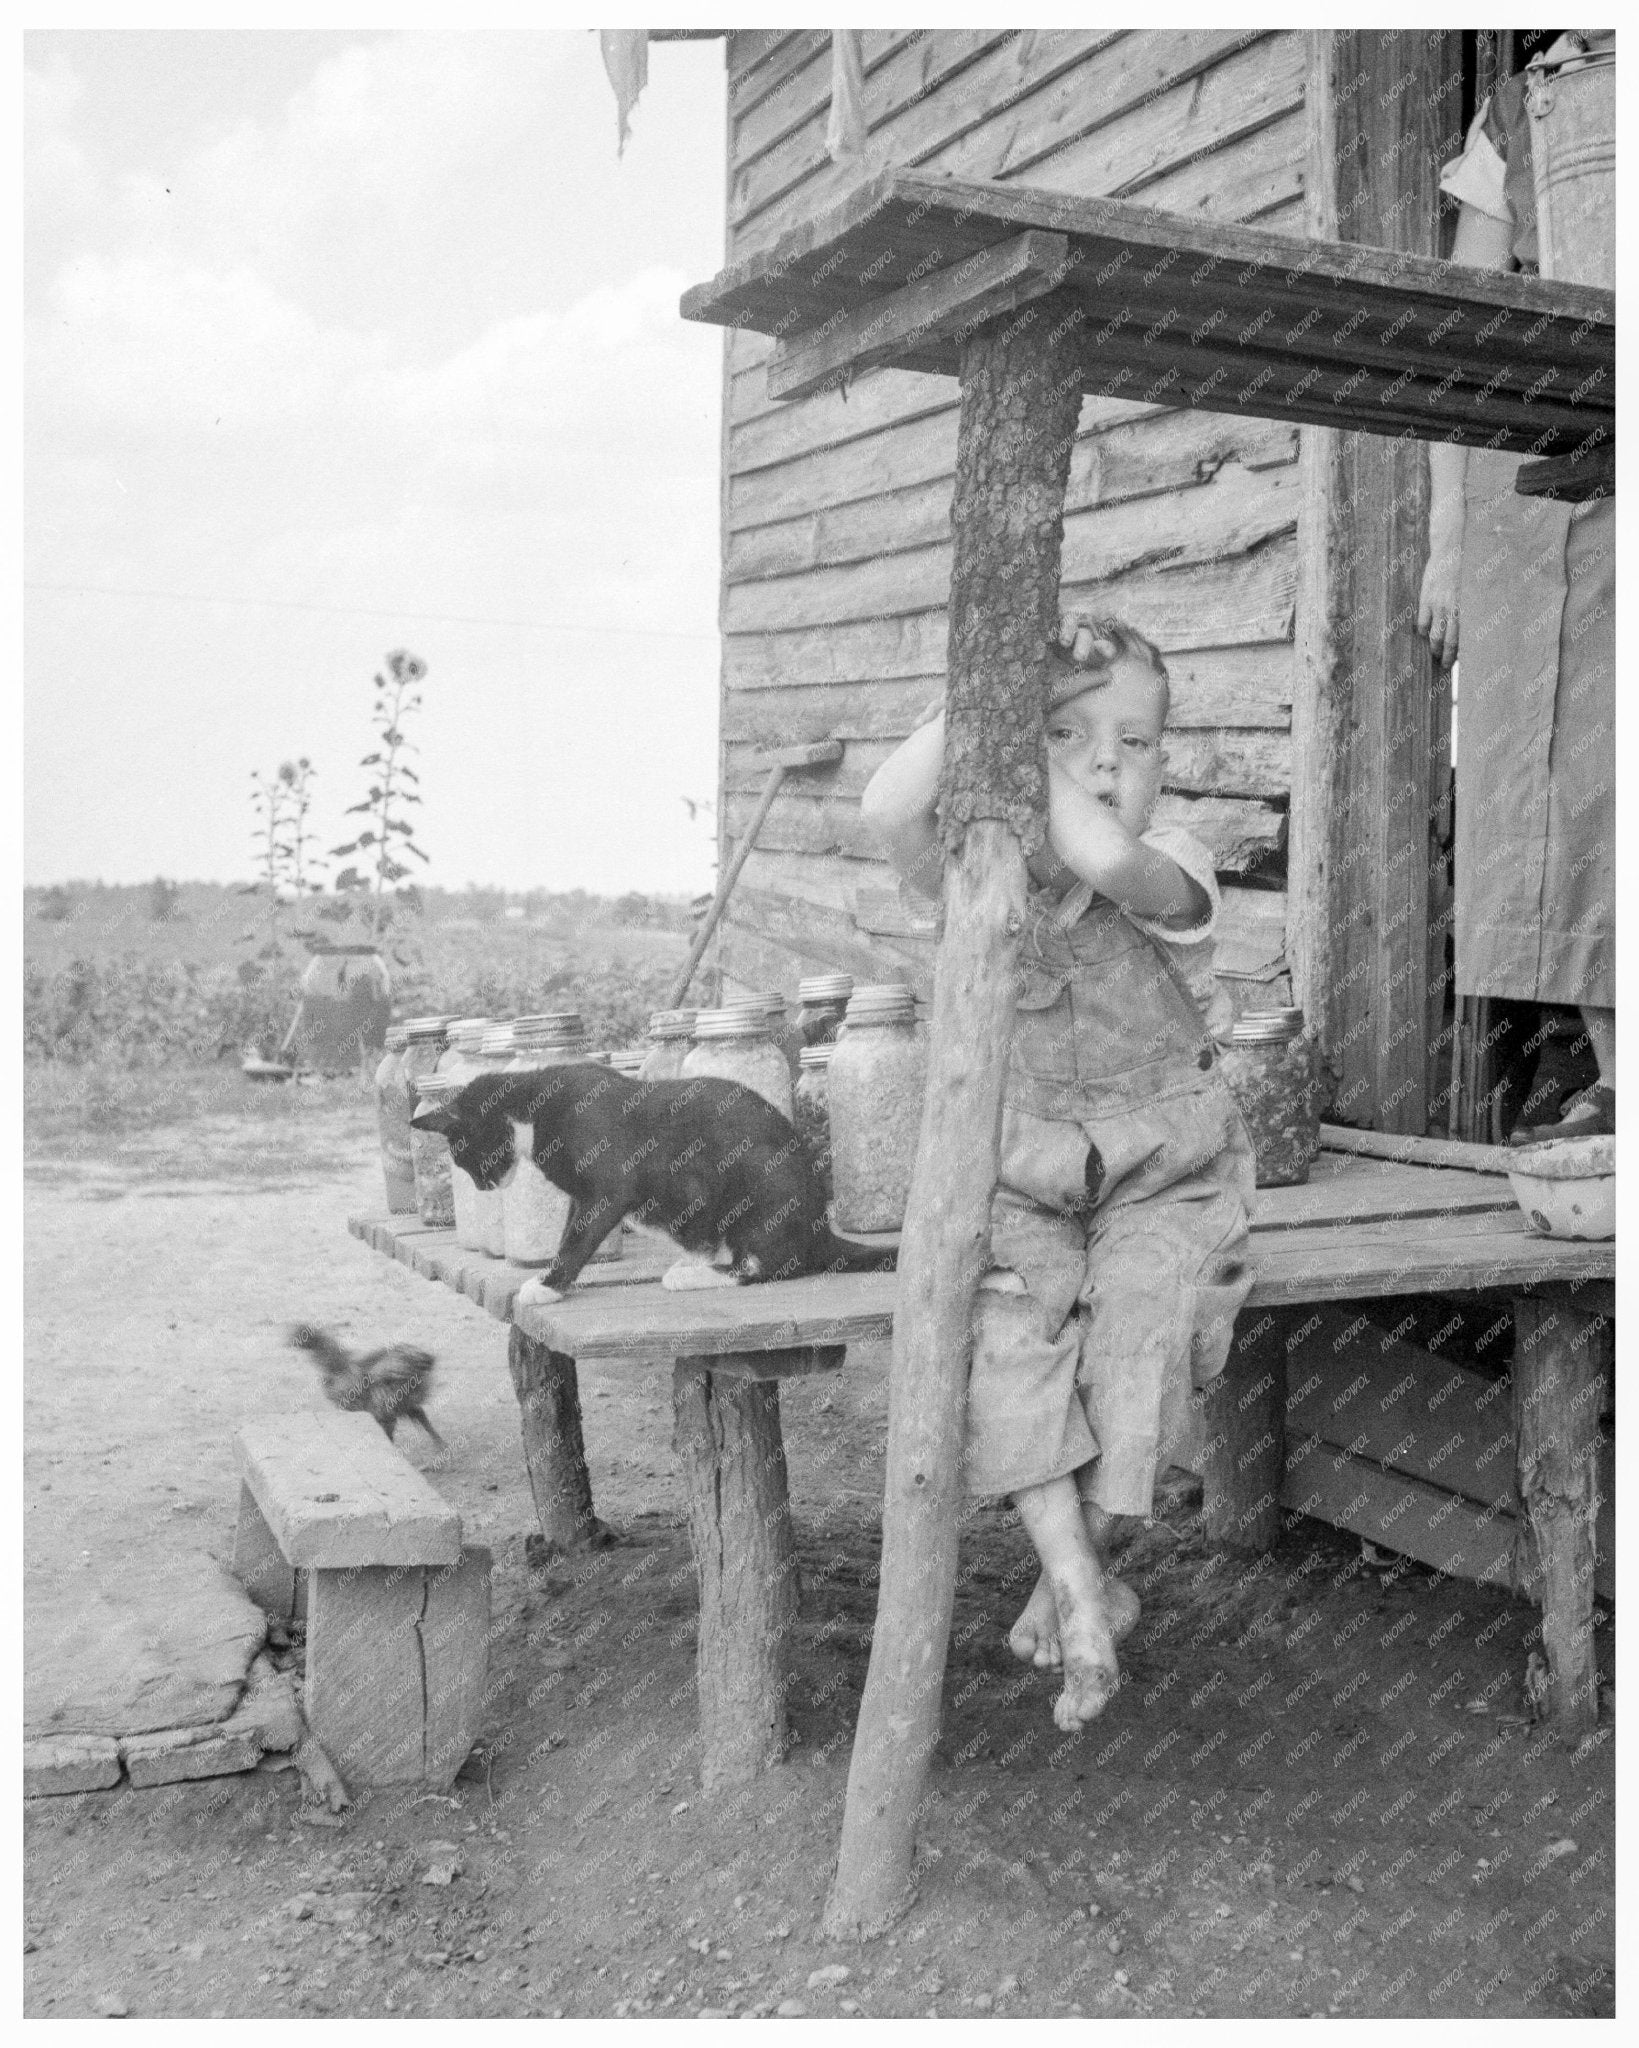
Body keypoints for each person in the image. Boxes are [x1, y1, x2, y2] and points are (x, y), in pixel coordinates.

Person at [860, 617, 1256, 1730]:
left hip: (1164, 1173)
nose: (1102, 763)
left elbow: (1101, 855)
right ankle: (1086, 1590)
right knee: (1007, 1336)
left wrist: (1025, 743)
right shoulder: (977, 865)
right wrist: (986, 701)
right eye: (1069, 735)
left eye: (1133, 742)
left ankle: (1068, 1578)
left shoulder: (1174, 861)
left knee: (1150, 1327)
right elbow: (888, 807)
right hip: (1020, 1175)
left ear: (1163, 764)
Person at [1418, 31, 1615, 1141]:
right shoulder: (1520, 109)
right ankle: (1615, 1074)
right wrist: (1447, 532)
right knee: (1562, 783)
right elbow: (1460, 336)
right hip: (1538, 482)